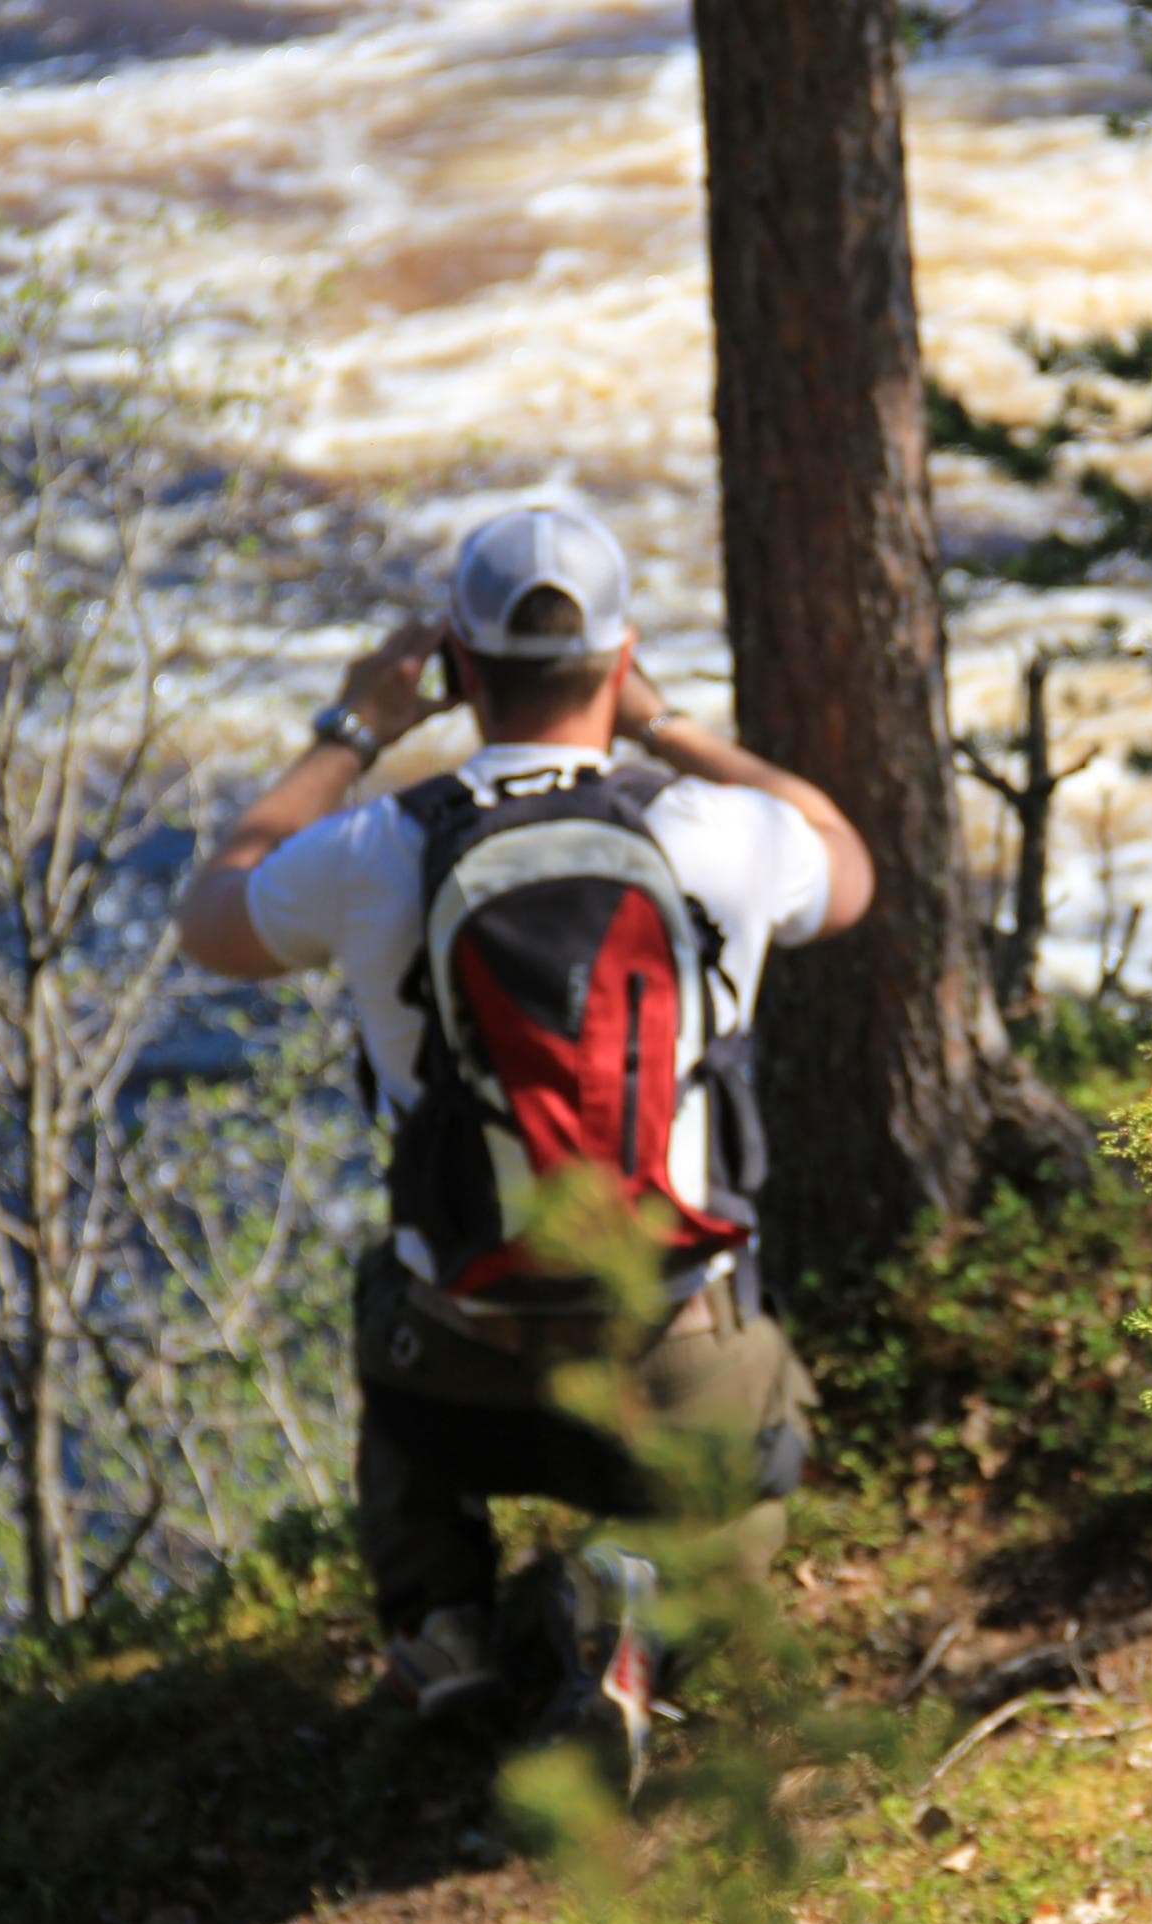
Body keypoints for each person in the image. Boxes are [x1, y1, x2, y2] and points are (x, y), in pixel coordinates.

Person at [174, 501, 873, 1733]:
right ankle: (643, 1600)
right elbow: (845, 857)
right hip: (679, 1363)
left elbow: (211, 913)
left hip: (455, 1374)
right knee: (765, 1435)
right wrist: (663, 721)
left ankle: (440, 1625)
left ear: (457, 664)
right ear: (619, 653)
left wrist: (356, 727)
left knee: (388, 1275)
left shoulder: (378, 845)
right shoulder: (711, 831)